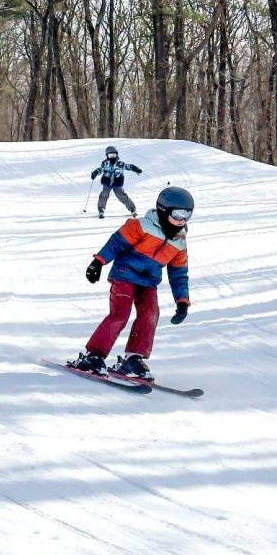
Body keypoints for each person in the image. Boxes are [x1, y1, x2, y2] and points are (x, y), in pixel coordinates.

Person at [73, 186, 193, 380]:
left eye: (187, 216)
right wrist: (99, 261)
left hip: (148, 282)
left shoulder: (179, 242)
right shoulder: (141, 225)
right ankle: (93, 355)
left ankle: (133, 358)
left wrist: (182, 301)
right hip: (125, 274)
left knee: (151, 314)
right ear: (164, 210)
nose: (182, 221)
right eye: (178, 214)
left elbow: (179, 273)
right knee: (120, 314)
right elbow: (116, 243)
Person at [90, 144, 142, 218]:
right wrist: (95, 173)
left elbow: (128, 166)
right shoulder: (105, 163)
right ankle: (101, 210)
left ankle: (132, 209)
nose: (112, 157)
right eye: (110, 155)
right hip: (107, 182)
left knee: (122, 196)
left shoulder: (120, 164)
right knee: (104, 195)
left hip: (117, 183)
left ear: (116, 155)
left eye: (113, 155)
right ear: (107, 156)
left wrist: (135, 169)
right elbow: (100, 169)